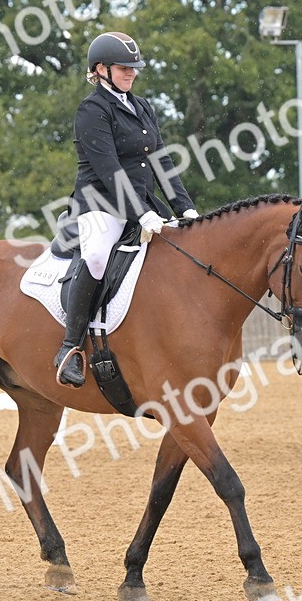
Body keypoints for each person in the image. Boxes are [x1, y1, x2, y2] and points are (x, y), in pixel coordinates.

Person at [53, 31, 199, 388]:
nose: (131, 73)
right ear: (100, 69)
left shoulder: (142, 106)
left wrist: (186, 208)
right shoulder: (92, 110)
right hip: (100, 205)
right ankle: (70, 348)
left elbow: (162, 162)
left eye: (134, 68)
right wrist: (140, 213)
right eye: (123, 68)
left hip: (144, 203)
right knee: (99, 257)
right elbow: (109, 169)